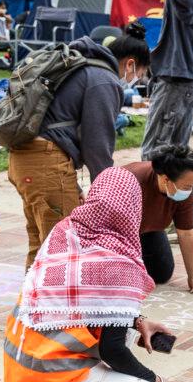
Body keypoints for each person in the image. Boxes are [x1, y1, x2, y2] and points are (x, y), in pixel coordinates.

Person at [4, 168, 180, 382]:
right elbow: (112, 350)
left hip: (20, 369)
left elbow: (81, 302)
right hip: (52, 377)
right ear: (132, 208)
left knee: (118, 343)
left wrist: (137, 321)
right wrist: (156, 381)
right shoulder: (116, 259)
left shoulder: (64, 233)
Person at [8, 37, 139, 268]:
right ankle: (48, 304)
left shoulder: (77, 67)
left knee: (41, 248)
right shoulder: (103, 79)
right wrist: (106, 196)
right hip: (46, 161)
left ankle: (29, 303)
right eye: (142, 72)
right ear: (130, 64)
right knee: (62, 252)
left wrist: (74, 186)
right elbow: (97, 144)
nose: (137, 79)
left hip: (24, 159)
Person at [140, 0, 193, 160]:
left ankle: (153, 189)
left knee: (155, 156)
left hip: (177, 81)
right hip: (186, 80)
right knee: (177, 159)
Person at [123, 145, 193, 292]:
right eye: (187, 186)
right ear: (165, 179)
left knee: (162, 272)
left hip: (150, 228)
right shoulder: (132, 180)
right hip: (116, 234)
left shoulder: (184, 189)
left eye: (191, 186)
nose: (189, 191)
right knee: (123, 278)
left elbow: (187, 232)